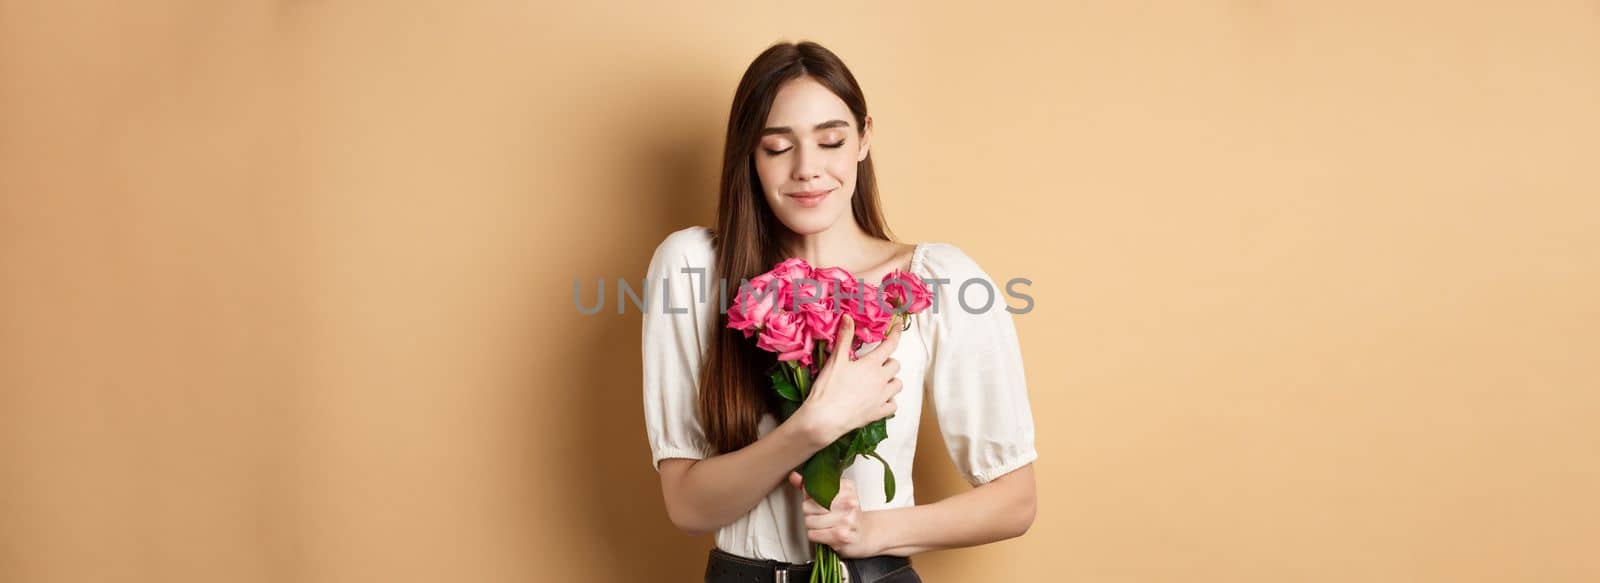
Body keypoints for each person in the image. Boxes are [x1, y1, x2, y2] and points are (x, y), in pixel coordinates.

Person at [641, 40, 1038, 583]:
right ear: (749, 156)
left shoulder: (936, 280)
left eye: (831, 141)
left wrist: (869, 531)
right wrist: (813, 426)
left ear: (863, 138)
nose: (808, 169)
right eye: (778, 147)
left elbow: (1014, 502)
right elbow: (688, 507)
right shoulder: (693, 269)